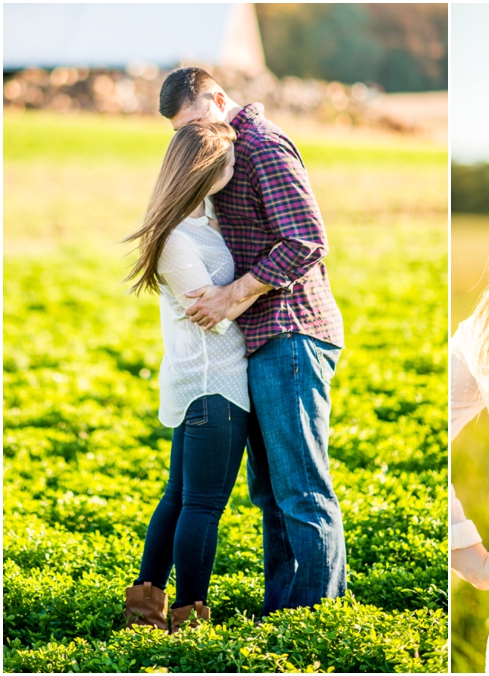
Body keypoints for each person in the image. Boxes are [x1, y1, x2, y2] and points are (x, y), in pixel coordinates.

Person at [156, 67, 346, 615]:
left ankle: (317, 613)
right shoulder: (220, 155)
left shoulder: (261, 147)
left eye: (195, 122)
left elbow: (307, 240)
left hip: (291, 331)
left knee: (300, 487)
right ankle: (283, 607)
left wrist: (232, 295)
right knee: (270, 492)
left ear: (218, 99)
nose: (190, 139)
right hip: (259, 337)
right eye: (178, 133)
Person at [122, 121, 259, 632]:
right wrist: (265, 283)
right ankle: (188, 616)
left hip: (204, 386)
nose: (235, 167)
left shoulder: (203, 223)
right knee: (201, 505)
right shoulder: (179, 238)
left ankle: (145, 610)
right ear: (207, 171)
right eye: (228, 162)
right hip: (213, 385)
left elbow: (218, 302)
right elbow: (214, 311)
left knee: (179, 498)